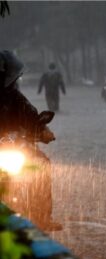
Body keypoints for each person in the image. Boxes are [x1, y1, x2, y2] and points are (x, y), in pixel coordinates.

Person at [0, 50, 62, 231]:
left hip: (13, 146)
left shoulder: (14, 96)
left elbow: (30, 115)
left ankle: (42, 217)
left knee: (42, 163)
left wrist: (42, 129)